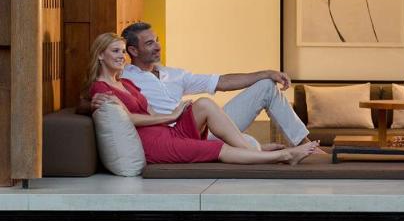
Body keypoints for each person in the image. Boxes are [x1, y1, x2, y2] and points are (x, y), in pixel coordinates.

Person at [86, 33, 320, 167]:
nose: (157, 46)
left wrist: (266, 73)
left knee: (207, 103)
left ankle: (277, 147)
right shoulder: (123, 77)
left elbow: (222, 81)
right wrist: (88, 105)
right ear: (134, 51)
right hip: (160, 138)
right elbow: (100, 105)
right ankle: (279, 154)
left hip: (176, 129)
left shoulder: (137, 81)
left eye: (121, 52)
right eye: (149, 43)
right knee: (228, 146)